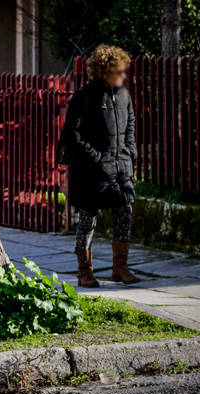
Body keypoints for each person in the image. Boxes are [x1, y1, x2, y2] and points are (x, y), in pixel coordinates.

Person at [61, 44, 140, 287]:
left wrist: (130, 151)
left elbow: (130, 126)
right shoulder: (83, 97)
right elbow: (72, 135)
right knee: (87, 219)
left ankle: (120, 268)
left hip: (120, 169)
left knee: (124, 212)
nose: (124, 75)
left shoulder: (124, 96)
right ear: (104, 71)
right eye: (119, 71)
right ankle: (85, 271)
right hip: (90, 172)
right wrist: (95, 157)